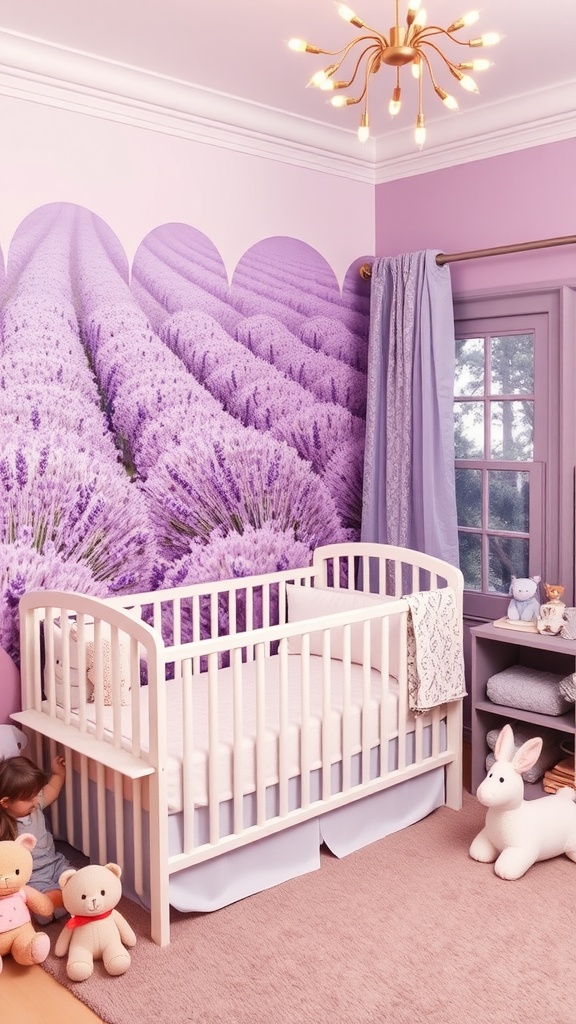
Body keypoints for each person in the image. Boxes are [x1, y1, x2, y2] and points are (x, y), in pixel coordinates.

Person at [0, 752, 71, 922]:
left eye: (36, 795)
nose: (34, 801)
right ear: (5, 802)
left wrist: (59, 774)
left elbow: (52, 789)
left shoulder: (35, 805)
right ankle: (54, 902)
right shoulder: (4, 825)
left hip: (55, 864)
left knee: (77, 879)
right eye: (28, 799)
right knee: (40, 911)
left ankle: (62, 898)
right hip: (31, 877)